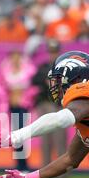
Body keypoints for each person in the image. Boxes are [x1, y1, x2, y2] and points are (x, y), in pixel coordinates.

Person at [0, 49, 37, 171]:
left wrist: (27, 97)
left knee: (23, 134)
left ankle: (23, 164)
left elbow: (34, 87)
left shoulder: (28, 71)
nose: (15, 59)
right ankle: (19, 164)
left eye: (18, 57)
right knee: (16, 134)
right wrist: (6, 96)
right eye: (13, 57)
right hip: (12, 106)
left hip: (24, 106)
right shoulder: (6, 71)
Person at [31, 39, 67, 167]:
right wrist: (47, 81)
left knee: (60, 139)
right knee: (45, 138)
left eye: (55, 52)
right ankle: (45, 168)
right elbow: (34, 80)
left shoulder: (65, 68)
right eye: (51, 52)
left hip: (58, 106)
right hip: (45, 104)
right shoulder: (44, 67)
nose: (53, 54)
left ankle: (62, 170)